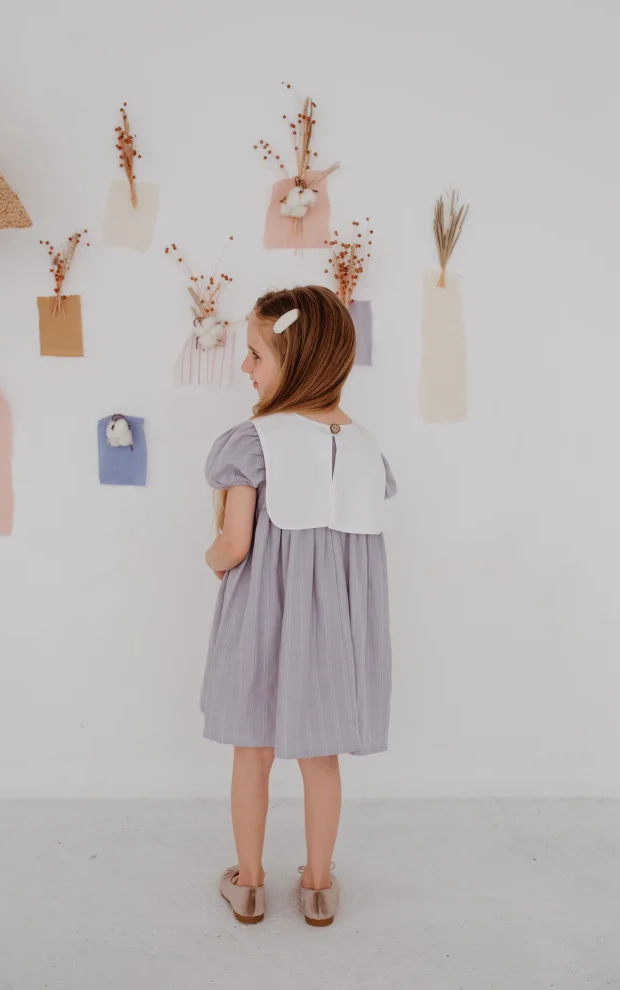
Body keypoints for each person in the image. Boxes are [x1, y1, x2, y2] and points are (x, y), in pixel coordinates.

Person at [201, 284, 397, 927]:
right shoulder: (366, 447)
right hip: (335, 631)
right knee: (321, 758)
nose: (245, 366)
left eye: (255, 354)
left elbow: (235, 543)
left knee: (252, 752)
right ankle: (317, 887)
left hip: (263, 619)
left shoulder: (252, 442)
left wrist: (212, 559)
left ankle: (250, 884)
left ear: (297, 360)